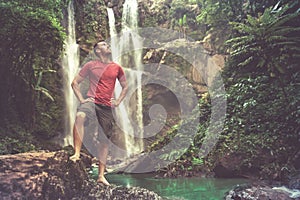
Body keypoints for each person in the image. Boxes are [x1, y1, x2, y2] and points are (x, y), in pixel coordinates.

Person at [69, 40, 128, 186]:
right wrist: (82, 99)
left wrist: (118, 101)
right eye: (103, 44)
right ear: (97, 50)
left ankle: (101, 175)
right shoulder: (90, 65)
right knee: (79, 116)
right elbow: (74, 83)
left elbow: (125, 86)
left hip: (107, 106)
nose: (107, 45)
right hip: (91, 101)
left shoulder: (117, 67)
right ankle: (76, 153)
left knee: (104, 140)